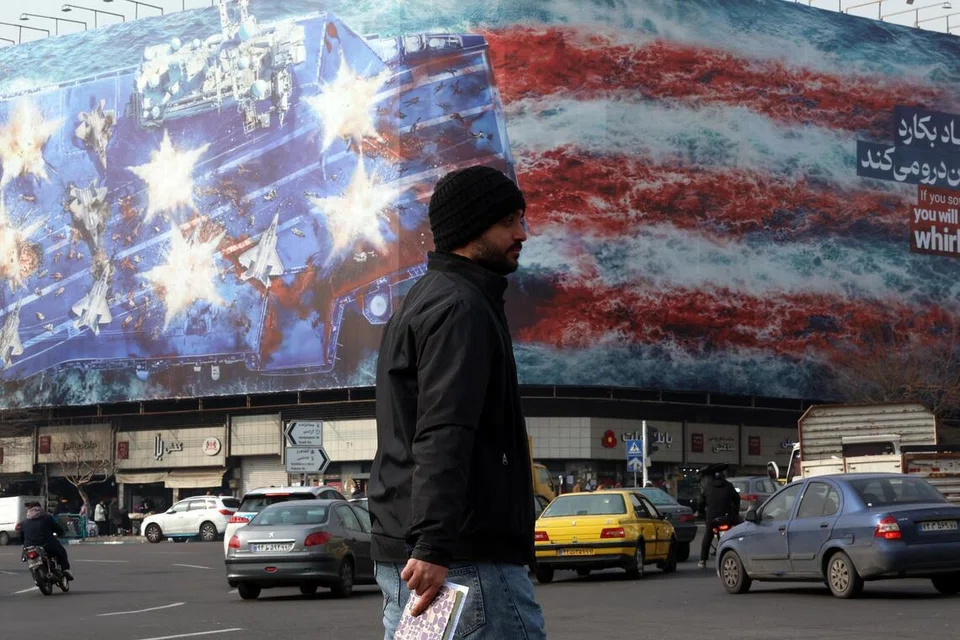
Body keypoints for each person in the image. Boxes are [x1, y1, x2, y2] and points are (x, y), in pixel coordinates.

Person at [368, 165, 546, 640]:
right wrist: (433, 544)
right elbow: (443, 431)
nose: (522, 233)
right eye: (509, 221)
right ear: (472, 226)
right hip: (464, 563)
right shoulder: (461, 308)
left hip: (426, 555)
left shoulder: (425, 299)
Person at [697, 466, 741, 568]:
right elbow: (737, 499)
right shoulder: (728, 486)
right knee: (736, 533)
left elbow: (701, 502)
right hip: (727, 516)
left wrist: (700, 511)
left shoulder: (707, 487)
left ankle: (702, 560)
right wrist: (736, 511)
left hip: (712, 518)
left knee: (708, 535)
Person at [20, 502, 73, 581]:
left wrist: (24, 544)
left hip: (29, 547)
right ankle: (65, 570)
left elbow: (21, 536)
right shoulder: (47, 518)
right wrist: (61, 533)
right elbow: (57, 528)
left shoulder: (24, 522)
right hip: (47, 545)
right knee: (61, 551)